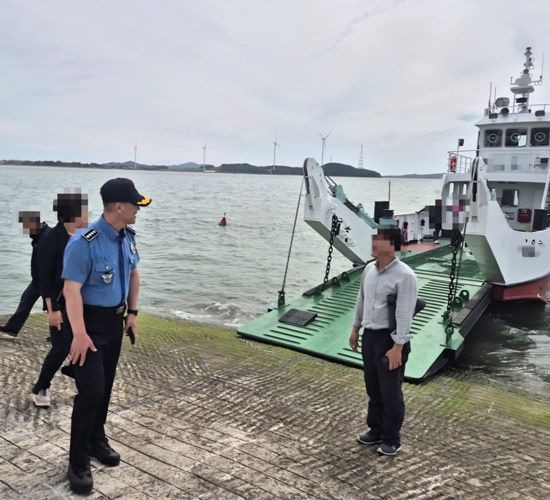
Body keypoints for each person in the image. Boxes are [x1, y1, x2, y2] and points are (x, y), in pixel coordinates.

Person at [62, 178, 150, 494]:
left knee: (106, 386)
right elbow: (70, 291)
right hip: (89, 325)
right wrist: (80, 334)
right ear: (119, 206)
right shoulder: (84, 242)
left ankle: (96, 439)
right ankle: (77, 460)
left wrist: (133, 313)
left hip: (115, 322)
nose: (139, 210)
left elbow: (134, 271)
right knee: (91, 391)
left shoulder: (127, 237)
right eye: (135, 205)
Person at [349, 227, 417, 456]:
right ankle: (375, 429)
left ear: (393, 246)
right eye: (374, 239)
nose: (374, 243)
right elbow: (361, 299)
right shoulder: (369, 269)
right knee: (373, 387)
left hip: (390, 339)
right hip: (370, 335)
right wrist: (355, 328)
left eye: (380, 240)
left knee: (390, 391)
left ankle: (391, 439)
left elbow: (405, 313)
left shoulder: (405, 275)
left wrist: (398, 346)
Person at [30, 193, 89, 408]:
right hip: (57, 302)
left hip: (81, 301)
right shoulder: (50, 239)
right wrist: (52, 308)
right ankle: (41, 387)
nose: (88, 214)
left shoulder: (85, 235)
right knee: (61, 347)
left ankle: (76, 375)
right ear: (73, 214)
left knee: (83, 342)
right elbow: (43, 276)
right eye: (84, 210)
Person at [0, 212, 50, 340]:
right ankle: (12, 329)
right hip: (37, 280)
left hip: (47, 280)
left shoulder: (46, 237)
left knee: (53, 307)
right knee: (25, 302)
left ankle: (59, 335)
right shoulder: (38, 235)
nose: (25, 229)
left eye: (26, 225)